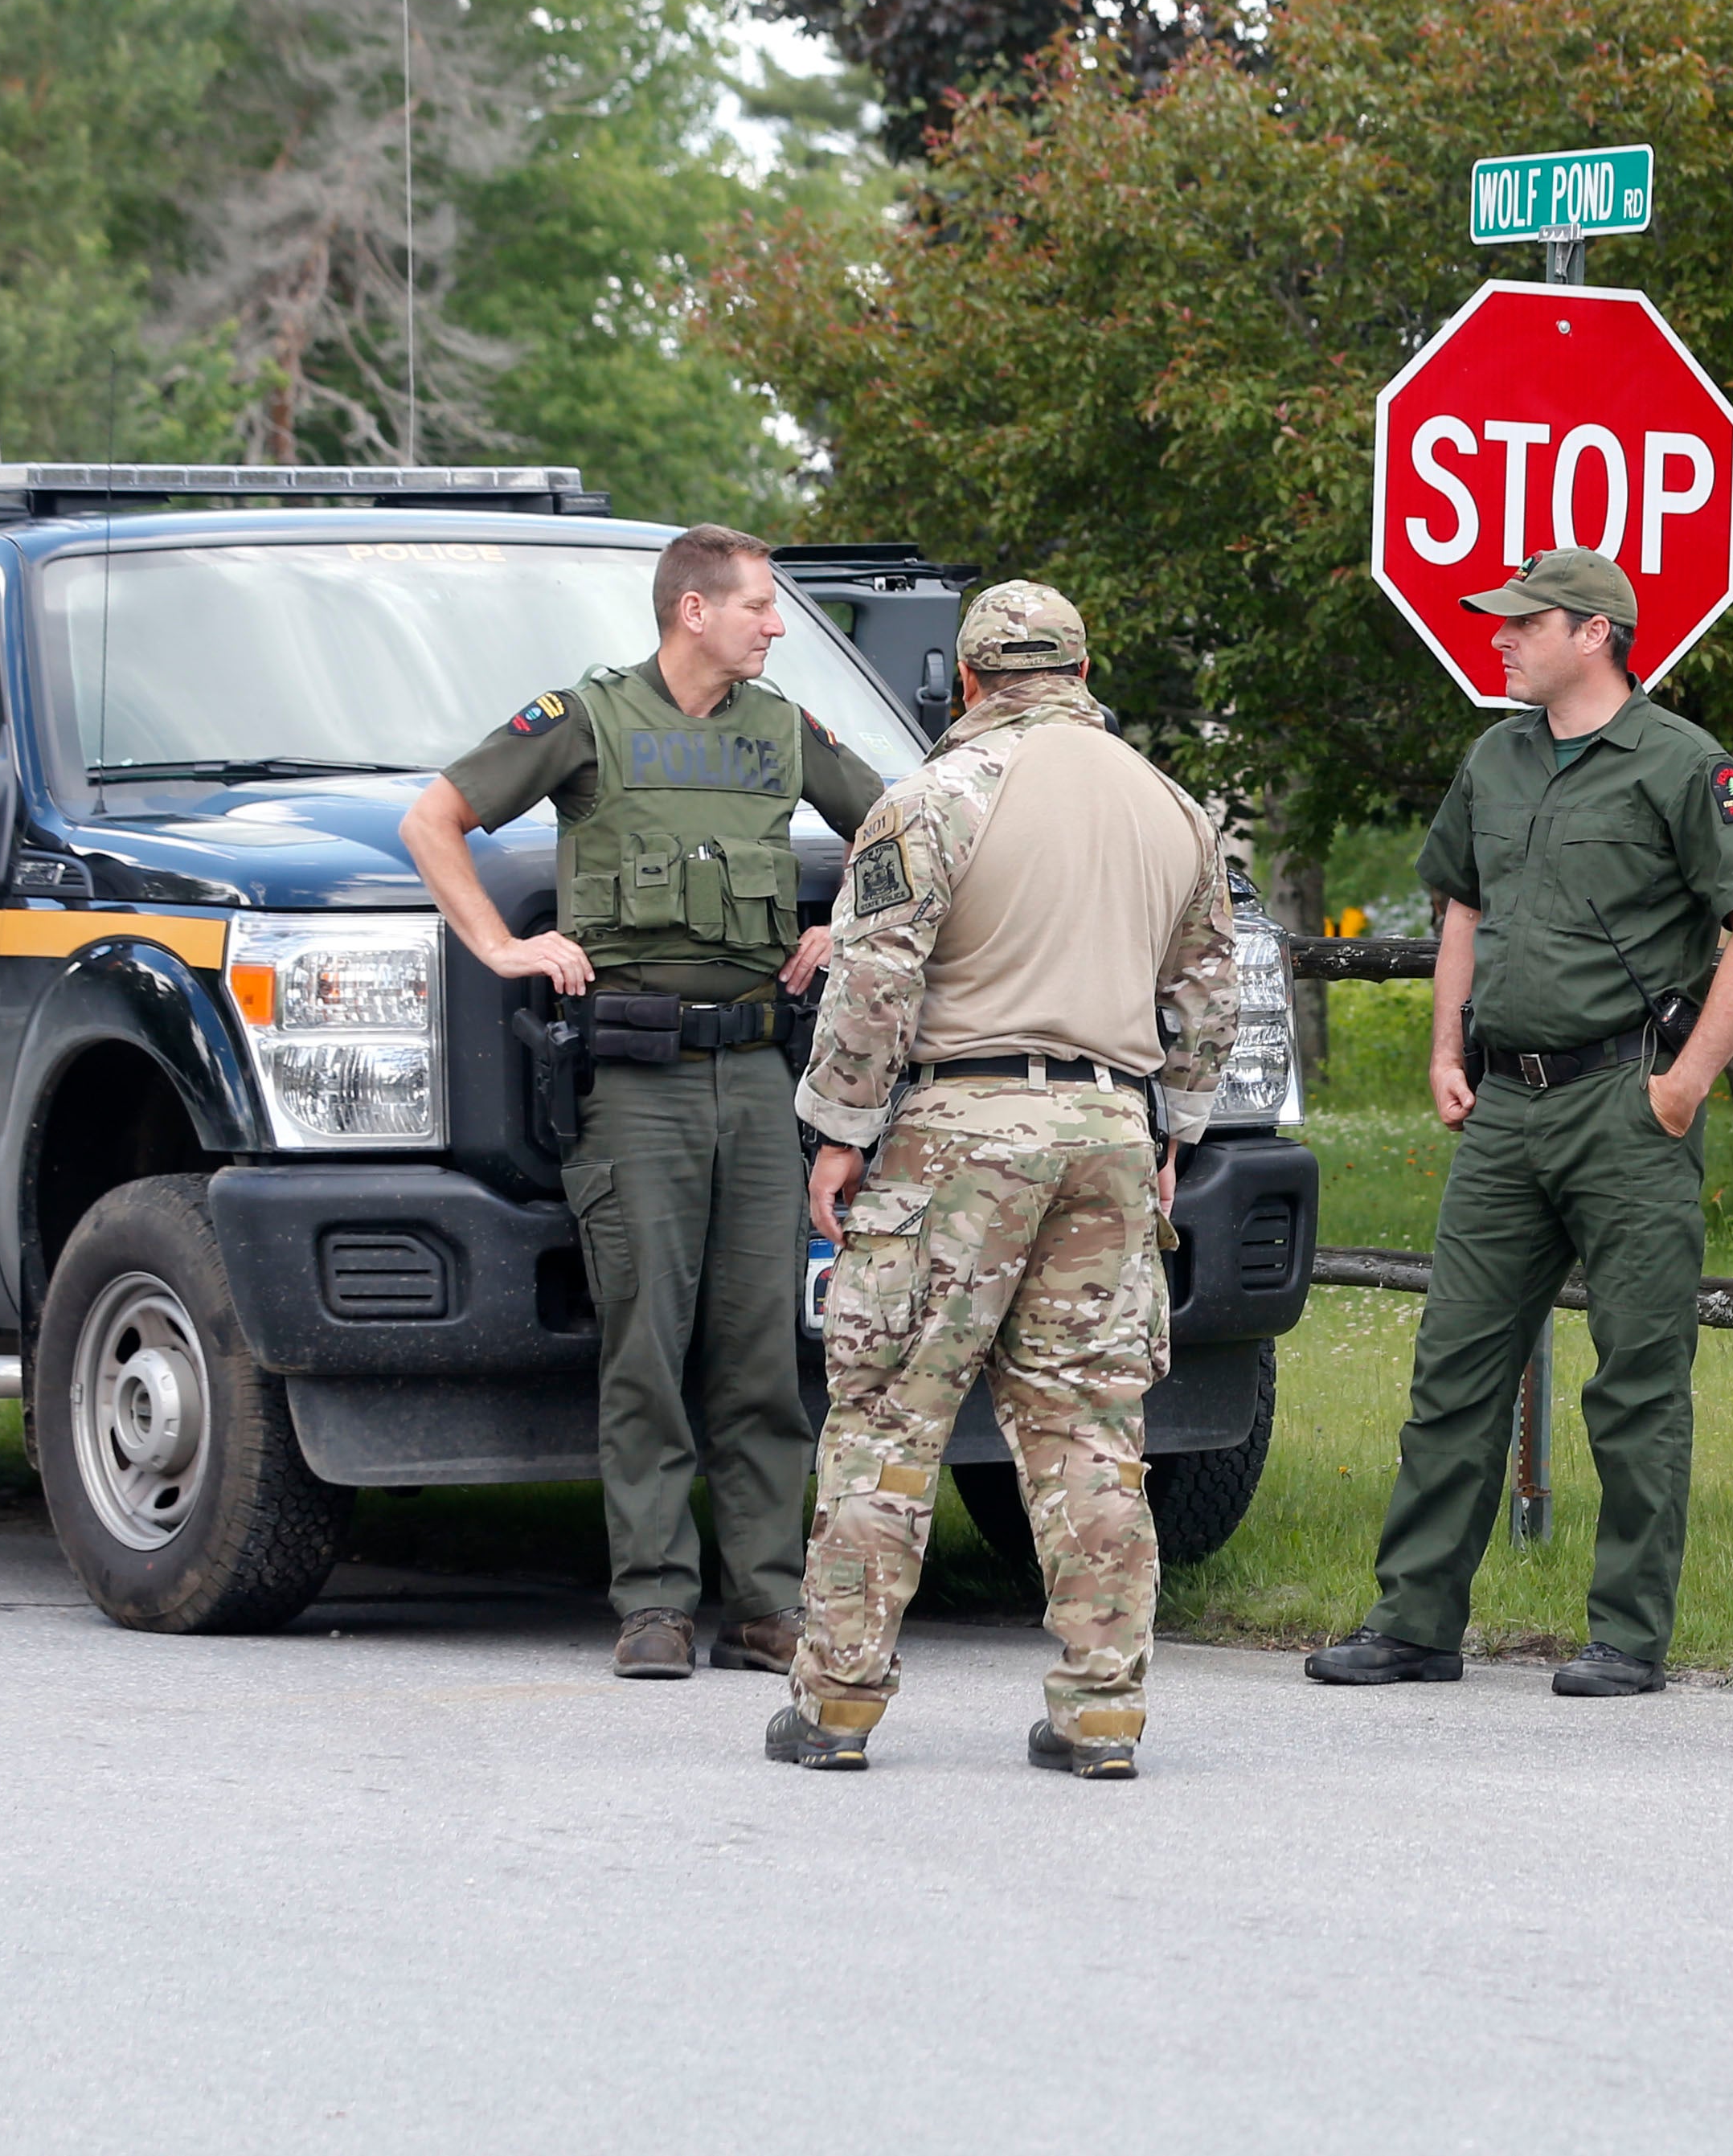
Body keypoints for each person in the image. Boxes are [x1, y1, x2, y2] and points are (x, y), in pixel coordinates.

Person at [1304, 548, 1733, 1700]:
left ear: (1592, 632)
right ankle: (1414, 1620)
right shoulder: (1494, 757)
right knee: (1453, 1367)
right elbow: (1461, 903)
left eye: (1521, 623)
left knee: (1634, 1379)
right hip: (1504, 1111)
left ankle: (1626, 1634)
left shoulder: (1680, 763)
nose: (1498, 638)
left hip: (1624, 1106)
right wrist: (1442, 1045)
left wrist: (1680, 1086)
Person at [766, 580, 1236, 1780]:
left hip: (959, 1130)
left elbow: (875, 978)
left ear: (968, 679)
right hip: (1110, 1130)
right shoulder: (1173, 808)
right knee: (1089, 1427)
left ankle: (837, 1705)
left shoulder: (931, 799)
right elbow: (1206, 992)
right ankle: (1101, 1710)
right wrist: (1173, 1125)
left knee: (886, 1419)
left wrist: (837, 1130)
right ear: (1081, 669)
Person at [400, 526, 887, 1682]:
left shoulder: (781, 730)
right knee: (645, 1349)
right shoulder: (584, 720)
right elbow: (433, 820)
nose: (776, 625)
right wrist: (500, 944)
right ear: (693, 612)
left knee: (764, 1350)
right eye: (760, 606)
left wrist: (848, 923)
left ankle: (766, 1603)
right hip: (635, 1085)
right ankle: (654, 1604)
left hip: (763, 1078)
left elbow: (901, 828)